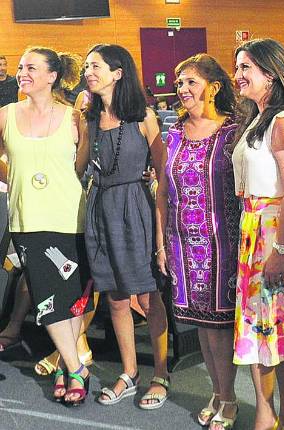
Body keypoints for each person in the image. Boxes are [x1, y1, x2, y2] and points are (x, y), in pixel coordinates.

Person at [0, 46, 93, 405]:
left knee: (68, 301)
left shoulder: (73, 117)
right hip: (27, 219)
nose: (22, 72)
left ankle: (66, 367)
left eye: (31, 68)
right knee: (48, 300)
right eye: (21, 67)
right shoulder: (7, 115)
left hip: (71, 218)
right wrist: (16, 177)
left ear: (52, 76)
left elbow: (83, 165)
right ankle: (76, 366)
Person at [232, 38, 284, 430]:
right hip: (257, 228)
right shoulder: (262, 115)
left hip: (271, 231)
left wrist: (282, 249)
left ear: (272, 73)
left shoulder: (282, 120)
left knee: (263, 330)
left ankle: (269, 416)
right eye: (238, 67)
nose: (238, 75)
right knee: (272, 329)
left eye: (246, 68)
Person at [155, 53, 240, 429]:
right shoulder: (171, 133)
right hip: (182, 244)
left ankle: (230, 398)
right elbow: (161, 193)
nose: (183, 89)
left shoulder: (234, 132)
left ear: (214, 86)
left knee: (220, 328)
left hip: (224, 244)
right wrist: (161, 245)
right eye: (179, 82)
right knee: (200, 327)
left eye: (191, 81)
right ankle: (217, 391)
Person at [83, 44, 169, 409]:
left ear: (118, 73)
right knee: (116, 297)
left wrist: (162, 232)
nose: (89, 71)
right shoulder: (88, 118)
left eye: (96, 65)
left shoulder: (144, 116)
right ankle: (130, 372)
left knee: (148, 296)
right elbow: (79, 167)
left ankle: (161, 373)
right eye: (87, 65)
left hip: (135, 207)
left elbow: (164, 173)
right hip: (100, 208)